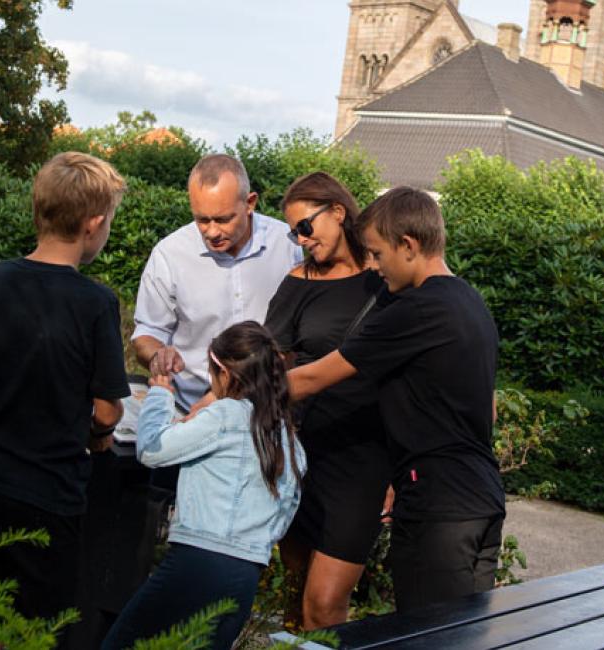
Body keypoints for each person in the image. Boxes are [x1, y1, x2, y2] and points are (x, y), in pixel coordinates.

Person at [0, 152, 130, 648]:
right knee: (40, 629)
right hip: (47, 494)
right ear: (94, 224)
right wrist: (99, 437)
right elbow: (108, 410)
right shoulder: (96, 302)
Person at [288, 187, 504, 612]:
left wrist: (233, 394)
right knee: (465, 636)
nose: (374, 266)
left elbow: (314, 376)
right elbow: (489, 407)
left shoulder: (417, 308)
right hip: (481, 500)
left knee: (426, 637)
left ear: (408, 245)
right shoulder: (470, 301)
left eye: (378, 253)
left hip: (438, 508)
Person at [102, 321, 306, 650]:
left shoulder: (224, 415)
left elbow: (152, 449)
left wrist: (160, 393)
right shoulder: (288, 438)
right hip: (247, 572)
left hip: (197, 561)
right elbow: (286, 508)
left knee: (123, 644)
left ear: (224, 373)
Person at [263, 172, 390, 629]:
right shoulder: (298, 282)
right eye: (293, 232)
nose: (301, 240)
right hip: (301, 454)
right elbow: (269, 368)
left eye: (305, 227)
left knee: (326, 602)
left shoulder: (385, 278)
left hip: (363, 459)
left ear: (338, 212)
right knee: (296, 601)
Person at [131, 154, 303, 412]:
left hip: (268, 409)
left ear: (250, 203)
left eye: (223, 219)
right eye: (201, 219)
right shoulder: (170, 254)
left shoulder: (287, 244)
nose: (212, 232)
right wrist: (158, 355)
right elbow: (147, 333)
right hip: (192, 410)